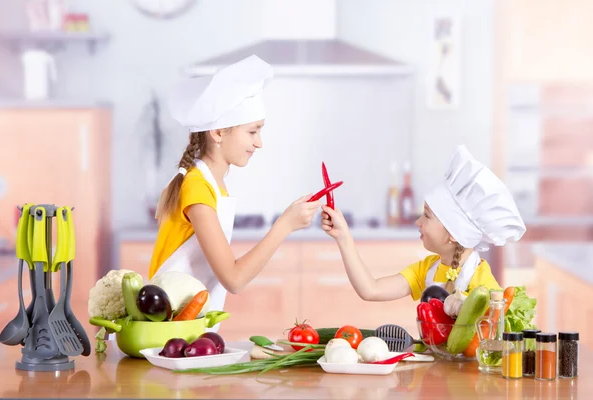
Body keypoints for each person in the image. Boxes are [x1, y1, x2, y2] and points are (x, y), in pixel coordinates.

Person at [149, 54, 321, 317]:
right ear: (218, 133)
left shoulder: (212, 183)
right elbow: (234, 279)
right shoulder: (197, 188)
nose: (259, 142)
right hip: (167, 333)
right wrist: (285, 224)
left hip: (185, 329)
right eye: (252, 131)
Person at [320, 144, 526, 301]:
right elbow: (370, 290)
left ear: (454, 233)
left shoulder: (481, 280)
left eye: (426, 215)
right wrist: (343, 237)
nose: (418, 222)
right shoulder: (427, 270)